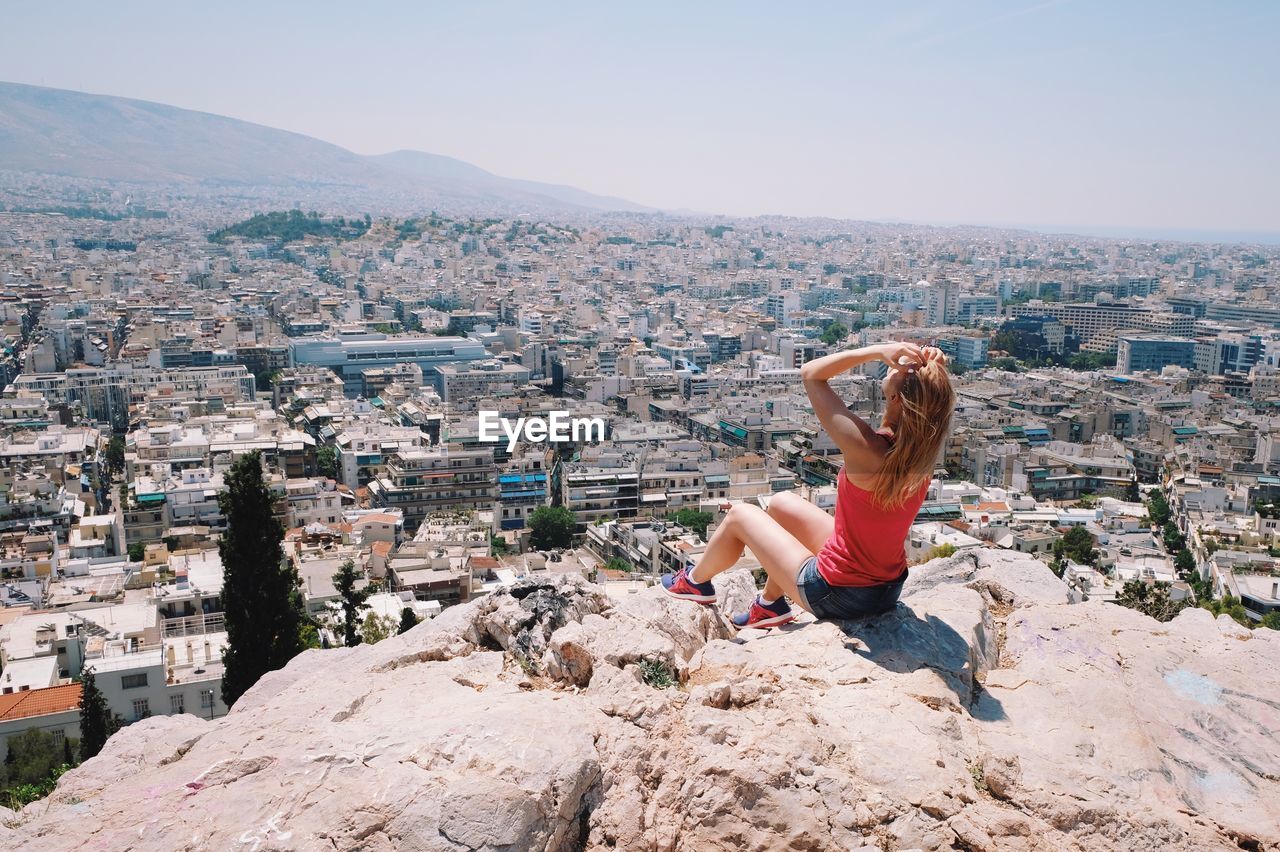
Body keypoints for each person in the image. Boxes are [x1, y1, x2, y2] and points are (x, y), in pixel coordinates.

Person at [661, 341, 955, 628]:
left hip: (839, 594)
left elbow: (812, 374)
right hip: (886, 589)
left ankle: (694, 582)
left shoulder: (867, 450)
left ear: (896, 399)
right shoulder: (920, 451)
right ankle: (769, 605)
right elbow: (932, 402)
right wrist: (933, 371)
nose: (895, 367)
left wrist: (877, 350)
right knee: (781, 504)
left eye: (901, 372)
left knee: (739, 515)